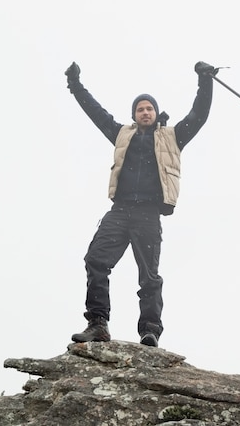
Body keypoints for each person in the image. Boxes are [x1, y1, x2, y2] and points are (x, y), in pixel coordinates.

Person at [65, 60, 217, 347]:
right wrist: (75, 85)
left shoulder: (173, 136)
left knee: (149, 276)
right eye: (140, 109)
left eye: (149, 108)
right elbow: (95, 113)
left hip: (148, 214)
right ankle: (98, 323)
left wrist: (205, 80)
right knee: (95, 260)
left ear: (156, 113)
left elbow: (199, 115)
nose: (145, 112)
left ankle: (149, 330)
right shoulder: (122, 134)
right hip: (120, 211)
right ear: (134, 115)